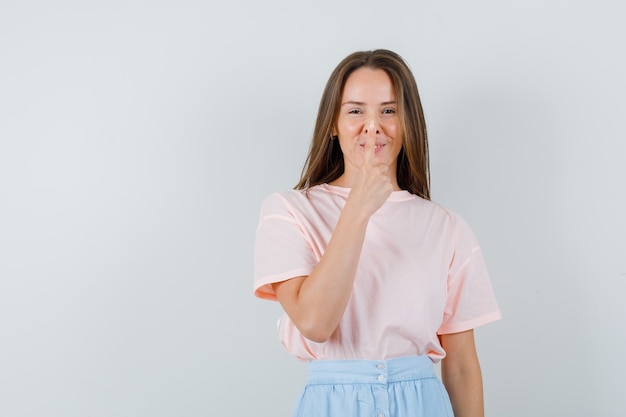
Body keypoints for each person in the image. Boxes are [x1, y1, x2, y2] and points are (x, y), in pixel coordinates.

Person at [253, 49, 501, 417]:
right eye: (355, 111)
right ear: (332, 124)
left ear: (408, 122)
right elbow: (315, 323)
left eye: (389, 110)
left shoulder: (447, 227)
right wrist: (359, 207)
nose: (373, 126)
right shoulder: (289, 211)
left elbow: (463, 367)